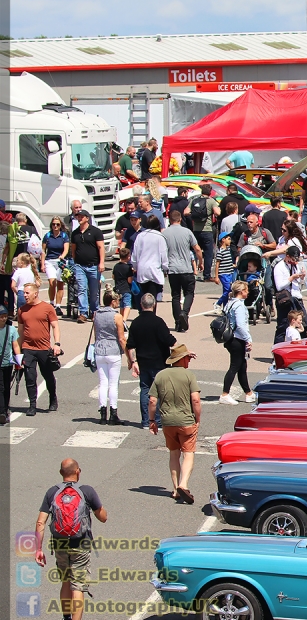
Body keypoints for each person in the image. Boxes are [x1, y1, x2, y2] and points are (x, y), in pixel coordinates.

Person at [35, 458, 107, 620]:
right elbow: (103, 517)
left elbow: (40, 523)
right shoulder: (86, 491)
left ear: (61, 473)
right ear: (78, 472)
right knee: (78, 586)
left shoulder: (52, 492)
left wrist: (38, 549)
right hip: (80, 544)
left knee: (66, 581)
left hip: (60, 544)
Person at [148, 344, 201, 503]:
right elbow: (195, 400)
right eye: (188, 358)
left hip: (167, 421)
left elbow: (152, 401)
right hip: (186, 420)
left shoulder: (160, 375)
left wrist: (152, 420)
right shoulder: (189, 375)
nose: (189, 362)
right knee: (188, 453)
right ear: (183, 359)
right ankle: (183, 484)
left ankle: (175, 488)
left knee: (174, 454)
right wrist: (197, 418)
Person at [125, 294, 175, 429]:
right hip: (159, 363)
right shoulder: (158, 322)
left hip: (143, 362)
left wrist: (133, 361)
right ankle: (157, 421)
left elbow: (130, 345)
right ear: (154, 305)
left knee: (145, 390)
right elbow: (170, 340)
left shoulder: (136, 322)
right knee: (158, 392)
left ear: (141, 305)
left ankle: (146, 421)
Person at [17, 282, 62, 416]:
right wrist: (18, 352)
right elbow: (20, 332)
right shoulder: (21, 310)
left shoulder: (47, 308)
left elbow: (55, 326)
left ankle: (52, 398)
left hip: (43, 349)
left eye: (27, 293)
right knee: (30, 377)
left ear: (35, 293)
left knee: (48, 376)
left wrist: (57, 344)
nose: (24, 295)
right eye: (24, 293)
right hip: (27, 348)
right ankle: (32, 405)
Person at [163, 210, 202, 333]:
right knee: (189, 293)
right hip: (186, 268)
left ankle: (178, 321)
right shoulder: (187, 232)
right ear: (180, 220)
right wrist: (201, 261)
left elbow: (163, 251)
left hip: (173, 269)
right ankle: (184, 313)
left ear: (170, 220)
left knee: (175, 295)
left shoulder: (165, 233)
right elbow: (197, 248)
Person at [93, 290, 125, 425]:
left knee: (103, 382)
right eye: (117, 301)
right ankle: (113, 413)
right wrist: (128, 355)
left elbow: (96, 334)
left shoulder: (96, 314)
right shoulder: (117, 316)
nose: (118, 303)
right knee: (113, 384)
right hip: (113, 350)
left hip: (99, 350)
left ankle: (102, 413)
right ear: (113, 302)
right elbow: (121, 337)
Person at [219, 280, 254, 404]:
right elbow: (240, 325)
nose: (248, 292)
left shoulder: (230, 303)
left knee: (242, 366)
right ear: (241, 291)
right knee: (235, 366)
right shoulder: (239, 305)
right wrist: (248, 339)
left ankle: (248, 393)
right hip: (237, 339)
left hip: (231, 338)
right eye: (246, 290)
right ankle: (225, 394)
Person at [68, 210, 104, 323]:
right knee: (81, 289)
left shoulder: (96, 232)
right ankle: (83, 313)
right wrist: (75, 261)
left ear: (87, 218)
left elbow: (101, 248)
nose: (80, 218)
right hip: (80, 266)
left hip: (93, 266)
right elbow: (73, 249)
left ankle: (94, 311)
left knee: (94, 291)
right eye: (78, 217)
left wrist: (101, 263)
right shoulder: (75, 233)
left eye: (82, 216)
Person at [272, 246, 307, 344]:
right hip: (285, 300)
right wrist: (291, 278)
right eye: (293, 259)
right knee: (283, 327)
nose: (295, 261)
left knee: (304, 324)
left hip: (296, 298)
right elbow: (279, 286)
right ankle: (277, 351)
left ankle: (301, 349)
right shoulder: (279, 267)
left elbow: (301, 282)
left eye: (297, 259)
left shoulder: (295, 265)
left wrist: (302, 277)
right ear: (287, 256)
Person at [132, 214, 168, 304]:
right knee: (152, 298)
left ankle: (145, 314)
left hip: (142, 269)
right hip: (155, 270)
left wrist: (135, 267)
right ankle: (151, 315)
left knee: (144, 297)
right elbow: (163, 255)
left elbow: (135, 254)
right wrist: (165, 268)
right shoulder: (160, 237)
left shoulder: (140, 236)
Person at [40, 217, 69, 312]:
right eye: (53, 224)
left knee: (60, 284)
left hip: (60, 262)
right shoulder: (48, 236)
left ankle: (58, 305)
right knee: (52, 283)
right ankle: (51, 303)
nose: (55, 226)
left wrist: (62, 256)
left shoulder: (64, 236)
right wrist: (42, 263)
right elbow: (43, 250)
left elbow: (66, 249)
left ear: (60, 225)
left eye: (57, 224)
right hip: (49, 261)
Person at [0, 305, 21, 424]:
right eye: (1, 317)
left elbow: (16, 346)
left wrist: (18, 361)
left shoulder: (11, 329)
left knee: (7, 387)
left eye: (5, 316)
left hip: (7, 363)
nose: (3, 319)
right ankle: (2, 411)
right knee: (1, 387)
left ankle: (5, 410)